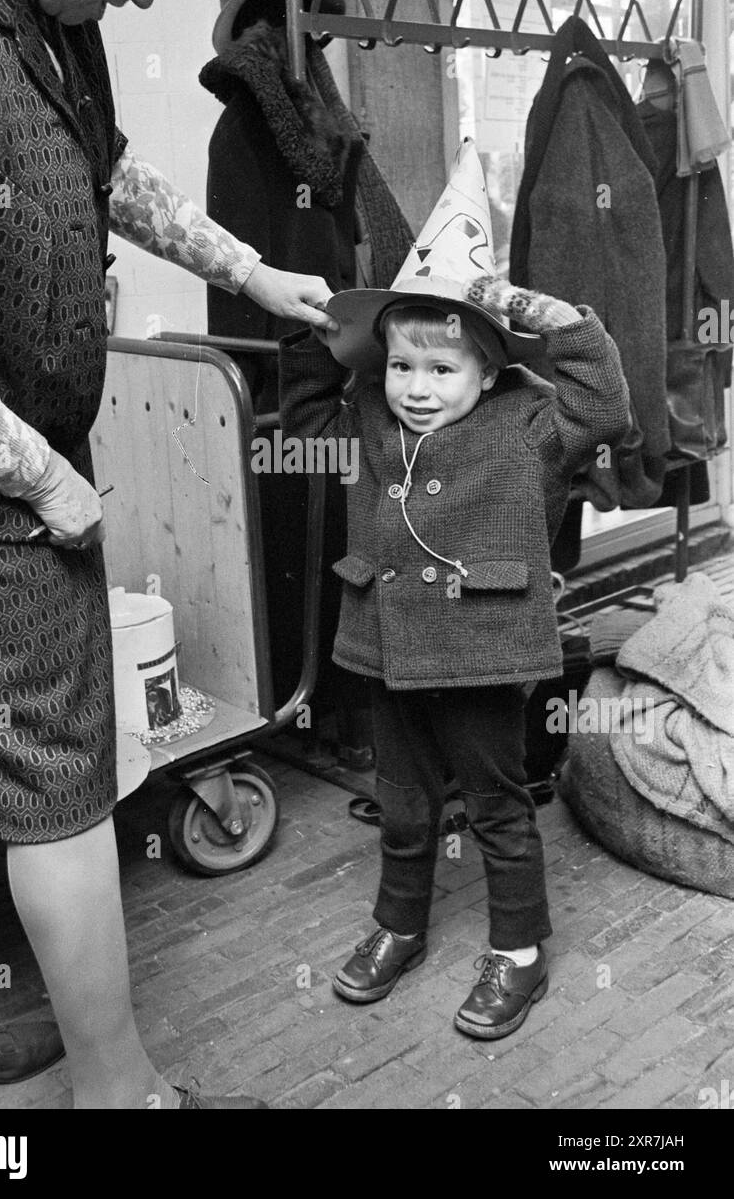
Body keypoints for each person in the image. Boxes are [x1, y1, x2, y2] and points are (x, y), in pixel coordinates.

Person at [0, 0, 335, 1111]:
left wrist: (254, 272)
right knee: (59, 783)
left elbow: (108, 169)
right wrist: (47, 481)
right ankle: (120, 1093)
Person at [279, 140, 632, 1039]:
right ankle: (398, 925)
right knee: (402, 805)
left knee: (496, 804)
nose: (419, 389)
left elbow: (606, 404)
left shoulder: (531, 427)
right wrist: (320, 329)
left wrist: (520, 306)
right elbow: (307, 412)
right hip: (387, 650)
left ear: (489, 370)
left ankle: (519, 950)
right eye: (403, 366)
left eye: (443, 370)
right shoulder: (365, 414)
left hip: (481, 656)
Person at [199, 0, 412, 759]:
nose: (307, 42)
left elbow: (355, 227)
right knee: (316, 540)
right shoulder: (259, 127)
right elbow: (271, 257)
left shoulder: (315, 115)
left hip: (332, 361)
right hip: (297, 374)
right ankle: (328, 713)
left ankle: (351, 709)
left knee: (348, 539)